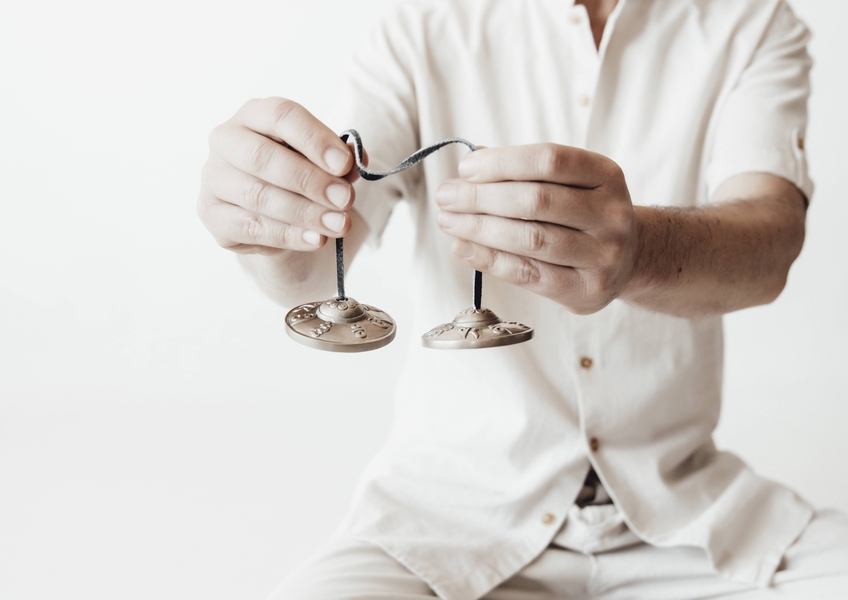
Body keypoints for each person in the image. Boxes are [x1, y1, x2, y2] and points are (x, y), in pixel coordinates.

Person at [196, 0, 848, 598]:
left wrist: (639, 251)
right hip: (444, 522)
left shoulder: (751, 20)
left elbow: (770, 245)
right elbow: (314, 267)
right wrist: (264, 223)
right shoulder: (425, 23)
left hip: (691, 523)